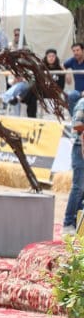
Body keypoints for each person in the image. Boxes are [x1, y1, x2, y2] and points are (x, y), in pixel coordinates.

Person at [22, 48, 68, 118]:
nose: (51, 58)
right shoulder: (42, 68)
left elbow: (61, 85)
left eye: (53, 56)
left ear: (56, 58)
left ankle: (22, 98)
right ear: (46, 57)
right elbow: (37, 81)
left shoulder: (60, 69)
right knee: (33, 96)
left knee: (33, 92)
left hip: (54, 92)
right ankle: (32, 117)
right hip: (43, 91)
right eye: (49, 56)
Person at [63, 96, 84, 235]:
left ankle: (77, 222)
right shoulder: (82, 104)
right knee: (79, 187)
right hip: (79, 148)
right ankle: (68, 223)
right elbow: (76, 126)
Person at [64, 42, 84, 115]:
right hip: (78, 91)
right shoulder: (72, 60)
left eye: (78, 50)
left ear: (83, 50)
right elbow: (62, 66)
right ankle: (74, 119)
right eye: (74, 51)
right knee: (68, 95)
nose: (75, 53)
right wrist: (66, 73)